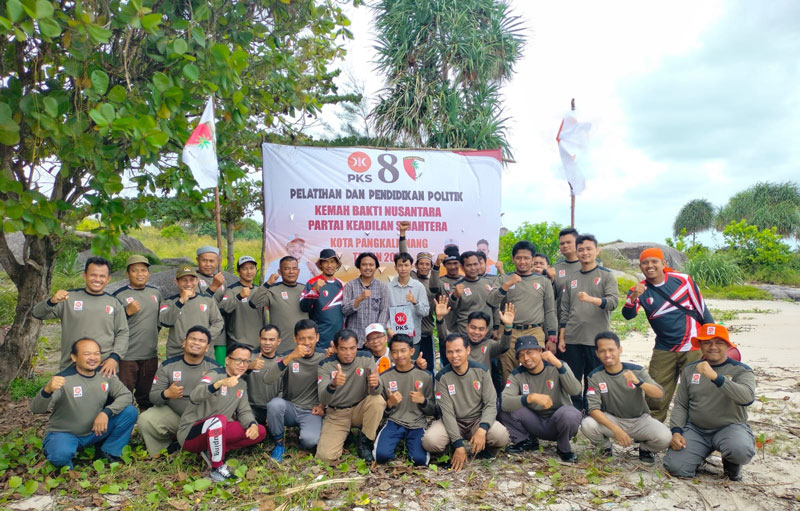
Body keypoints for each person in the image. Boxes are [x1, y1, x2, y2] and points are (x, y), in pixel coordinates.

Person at [622, 247, 714, 422]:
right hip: (664, 348)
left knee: (696, 390)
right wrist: (633, 297)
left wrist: (712, 341)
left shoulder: (683, 281)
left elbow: (702, 311)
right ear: (640, 267)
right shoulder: (639, 289)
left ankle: (693, 430)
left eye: (654, 261)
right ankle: (651, 435)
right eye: (645, 262)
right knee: (656, 393)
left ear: (663, 264)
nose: (650, 266)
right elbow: (628, 315)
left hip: (692, 346)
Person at [663, 324, 755, 481]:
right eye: (707, 342)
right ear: (700, 345)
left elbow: (747, 398)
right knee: (675, 467)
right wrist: (676, 431)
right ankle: (697, 455)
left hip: (730, 427)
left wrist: (716, 377)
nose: (713, 347)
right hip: (697, 429)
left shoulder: (741, 370)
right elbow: (681, 405)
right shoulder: (690, 370)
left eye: (719, 342)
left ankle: (731, 463)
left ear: (727, 345)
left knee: (740, 451)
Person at [31, 338, 137, 468]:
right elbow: (36, 409)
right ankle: (63, 458)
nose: (93, 358)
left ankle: (108, 452)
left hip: (94, 431)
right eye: (87, 354)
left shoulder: (104, 374)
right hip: (66, 433)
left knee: (129, 412)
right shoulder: (64, 379)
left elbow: (126, 395)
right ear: (74, 357)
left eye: (96, 353)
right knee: (60, 456)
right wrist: (47, 390)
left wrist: (106, 412)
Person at [178, 343, 267, 483]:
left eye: (246, 361)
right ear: (227, 360)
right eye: (238, 360)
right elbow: (195, 396)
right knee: (218, 420)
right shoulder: (213, 374)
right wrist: (219, 384)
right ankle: (217, 469)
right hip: (191, 432)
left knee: (260, 431)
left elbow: (244, 410)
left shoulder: (241, 384)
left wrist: (252, 424)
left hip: (217, 429)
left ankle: (213, 451)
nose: (242, 364)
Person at [421, 334, 509, 471]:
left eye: (458, 351)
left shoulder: (481, 371)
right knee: (430, 441)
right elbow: (447, 413)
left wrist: (482, 429)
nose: (454, 355)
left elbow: (491, 404)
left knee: (501, 435)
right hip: (453, 421)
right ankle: (447, 451)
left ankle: (487, 452)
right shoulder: (442, 377)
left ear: (467, 350)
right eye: (450, 352)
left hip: (476, 420)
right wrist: (458, 444)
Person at [580, 332, 671, 463]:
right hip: (613, 419)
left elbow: (659, 394)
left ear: (620, 349)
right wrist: (616, 429)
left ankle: (645, 449)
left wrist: (639, 382)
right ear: (597, 353)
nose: (607, 355)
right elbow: (593, 409)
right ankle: (605, 448)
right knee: (587, 424)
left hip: (640, 420)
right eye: (602, 351)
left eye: (611, 350)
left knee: (665, 437)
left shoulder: (637, 370)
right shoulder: (595, 376)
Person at [33, 256, 128, 375]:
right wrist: (51, 301)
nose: (97, 279)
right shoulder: (68, 298)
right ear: (84, 275)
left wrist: (115, 358)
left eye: (102, 276)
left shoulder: (114, 303)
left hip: (104, 367)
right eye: (93, 275)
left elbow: (123, 332)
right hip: (71, 367)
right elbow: (37, 313)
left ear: (108, 279)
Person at [558, 234, 619, 411]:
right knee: (573, 378)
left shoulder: (606, 275)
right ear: (576, 252)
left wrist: (593, 299)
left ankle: (593, 411)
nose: (585, 253)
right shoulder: (571, 278)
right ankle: (575, 412)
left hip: (597, 339)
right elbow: (564, 310)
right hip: (573, 337)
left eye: (588, 249)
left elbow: (613, 302)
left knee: (594, 378)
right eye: (581, 249)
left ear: (596, 250)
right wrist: (562, 337)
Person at [137, 326, 219, 457]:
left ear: (207, 347)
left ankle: (206, 449)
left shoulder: (215, 368)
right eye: (192, 339)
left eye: (202, 341)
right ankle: (165, 450)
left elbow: (221, 398)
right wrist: (167, 393)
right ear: (184, 342)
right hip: (175, 416)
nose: (196, 343)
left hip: (203, 418)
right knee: (146, 419)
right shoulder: (168, 366)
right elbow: (153, 396)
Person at [500, 336, 582, 462]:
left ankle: (564, 448)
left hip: (558, 420)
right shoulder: (517, 374)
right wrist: (530, 397)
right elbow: (505, 402)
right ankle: (526, 441)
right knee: (502, 406)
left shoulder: (557, 366)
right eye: (521, 355)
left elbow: (575, 390)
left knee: (570, 414)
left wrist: (560, 365)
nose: (526, 358)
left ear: (539, 350)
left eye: (529, 352)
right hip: (534, 422)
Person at [487, 241, 557, 383]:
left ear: (532, 259)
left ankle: (537, 402)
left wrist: (552, 337)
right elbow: (491, 301)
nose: (522, 261)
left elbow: (550, 310)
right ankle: (510, 402)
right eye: (519, 258)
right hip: (508, 332)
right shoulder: (504, 279)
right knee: (508, 372)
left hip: (534, 331)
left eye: (526, 258)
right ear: (513, 259)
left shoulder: (543, 282)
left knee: (536, 368)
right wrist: (507, 285)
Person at [316, 329, 386, 462]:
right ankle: (344, 435)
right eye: (343, 349)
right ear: (335, 348)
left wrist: (375, 384)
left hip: (359, 409)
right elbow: (323, 399)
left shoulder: (366, 358)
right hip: (337, 414)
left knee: (377, 401)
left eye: (352, 348)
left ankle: (365, 441)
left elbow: (376, 391)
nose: (349, 353)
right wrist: (333, 384)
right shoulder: (325, 365)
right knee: (325, 457)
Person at [263, 319, 326, 462]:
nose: (307, 342)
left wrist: (323, 406)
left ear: (317, 337)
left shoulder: (324, 357)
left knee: (310, 442)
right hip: (289, 407)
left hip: (312, 411)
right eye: (302, 338)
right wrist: (291, 356)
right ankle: (279, 444)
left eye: (310, 338)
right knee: (274, 405)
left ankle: (304, 434)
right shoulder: (287, 357)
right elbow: (268, 379)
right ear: (295, 339)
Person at [375, 334, 436, 466]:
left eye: (403, 350)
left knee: (419, 460)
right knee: (381, 456)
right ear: (390, 354)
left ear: (412, 351)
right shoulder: (385, 377)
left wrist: (423, 401)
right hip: (394, 422)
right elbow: (380, 412)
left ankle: (410, 443)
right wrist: (389, 404)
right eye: (395, 352)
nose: (399, 355)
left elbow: (433, 410)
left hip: (417, 423)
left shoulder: (425, 376)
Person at [112, 255, 162, 410]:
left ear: (148, 273)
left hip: (149, 354)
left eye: (143, 270)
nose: (140, 274)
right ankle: (124, 425)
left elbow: (158, 323)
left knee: (146, 396)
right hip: (127, 356)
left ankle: (144, 427)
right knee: (123, 394)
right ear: (127, 274)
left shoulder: (156, 293)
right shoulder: (119, 296)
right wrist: (126, 312)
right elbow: (110, 326)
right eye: (134, 270)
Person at [398, 221, 441, 371]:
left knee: (427, 369)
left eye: (427, 264)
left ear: (430, 267)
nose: (424, 266)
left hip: (427, 333)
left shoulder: (433, 282)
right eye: (421, 263)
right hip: (409, 332)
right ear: (415, 265)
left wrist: (437, 267)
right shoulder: (411, 277)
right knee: (409, 367)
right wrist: (403, 235)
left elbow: (436, 289)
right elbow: (404, 256)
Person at [159, 265, 224, 360]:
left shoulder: (208, 300)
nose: (188, 284)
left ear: (197, 281)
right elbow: (166, 322)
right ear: (176, 282)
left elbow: (219, 323)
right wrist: (181, 301)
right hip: (177, 354)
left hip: (204, 355)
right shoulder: (169, 302)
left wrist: (202, 339)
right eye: (184, 280)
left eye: (192, 280)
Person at [249, 256, 309, 351]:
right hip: (280, 348)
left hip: (303, 347)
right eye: (286, 269)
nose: (291, 272)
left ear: (298, 271)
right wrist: (267, 283)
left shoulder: (306, 290)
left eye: (294, 268)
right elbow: (254, 303)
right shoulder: (273, 290)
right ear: (280, 272)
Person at [436, 300, 515, 370]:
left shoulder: (489, 345)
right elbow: (444, 335)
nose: (476, 332)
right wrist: (440, 318)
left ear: (486, 330)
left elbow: (504, 345)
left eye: (481, 329)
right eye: (473, 327)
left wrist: (508, 326)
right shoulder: (460, 342)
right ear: (467, 327)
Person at [215, 256, 267, 352]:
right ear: (238, 271)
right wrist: (239, 297)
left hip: (258, 345)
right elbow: (222, 309)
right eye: (244, 269)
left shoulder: (259, 290)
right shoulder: (232, 290)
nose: (249, 272)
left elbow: (264, 316)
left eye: (252, 268)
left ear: (256, 269)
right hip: (237, 345)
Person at [299, 249, 345, 352]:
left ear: (337, 264)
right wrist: (314, 290)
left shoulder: (340, 284)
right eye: (326, 262)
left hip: (339, 339)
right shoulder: (312, 283)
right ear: (321, 265)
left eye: (332, 262)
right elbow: (303, 307)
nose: (329, 265)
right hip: (320, 340)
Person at [342, 252, 389, 347]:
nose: (368, 268)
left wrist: (376, 336)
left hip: (375, 342)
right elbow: (344, 310)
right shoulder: (350, 286)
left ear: (376, 267)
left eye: (371, 265)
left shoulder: (382, 287)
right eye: (364, 264)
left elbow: (384, 312)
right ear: (359, 267)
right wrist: (359, 298)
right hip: (354, 341)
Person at [386, 252, 430, 355]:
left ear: (412, 266)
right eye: (400, 265)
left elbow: (425, 312)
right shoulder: (388, 287)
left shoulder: (419, 287)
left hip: (413, 339)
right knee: (394, 367)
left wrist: (415, 302)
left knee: (412, 367)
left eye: (406, 265)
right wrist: (388, 328)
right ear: (395, 267)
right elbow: (384, 311)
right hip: (394, 336)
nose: (403, 268)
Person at [447, 251, 496, 335]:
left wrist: (496, 327)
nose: (473, 268)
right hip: (465, 335)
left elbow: (495, 306)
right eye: (469, 265)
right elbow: (449, 308)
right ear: (462, 267)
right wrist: (455, 296)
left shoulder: (489, 283)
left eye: (475, 264)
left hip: (487, 334)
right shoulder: (457, 286)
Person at [243, 325, 283, 425]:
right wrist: (249, 367)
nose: (267, 343)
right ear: (259, 339)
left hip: (275, 408)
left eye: (271, 339)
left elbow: (285, 388)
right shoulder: (248, 357)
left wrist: (273, 410)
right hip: (252, 407)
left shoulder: (282, 361)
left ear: (278, 341)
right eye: (264, 339)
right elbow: (235, 380)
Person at [548, 228, 581, 329]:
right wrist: (551, 280)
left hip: (585, 323)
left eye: (568, 242)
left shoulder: (588, 265)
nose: (565, 246)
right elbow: (550, 298)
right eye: (562, 243)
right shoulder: (555, 269)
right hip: (562, 324)